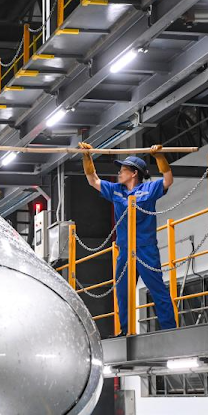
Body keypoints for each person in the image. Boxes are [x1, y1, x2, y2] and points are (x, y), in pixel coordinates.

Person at [79, 142, 176, 335]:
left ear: (134, 173)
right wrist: (87, 156)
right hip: (125, 250)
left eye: (123, 170)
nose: (119, 174)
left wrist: (159, 157)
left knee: (157, 290)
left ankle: (170, 330)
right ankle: (126, 330)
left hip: (145, 248)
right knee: (122, 292)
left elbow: (168, 179)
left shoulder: (149, 189)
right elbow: (92, 179)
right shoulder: (116, 190)